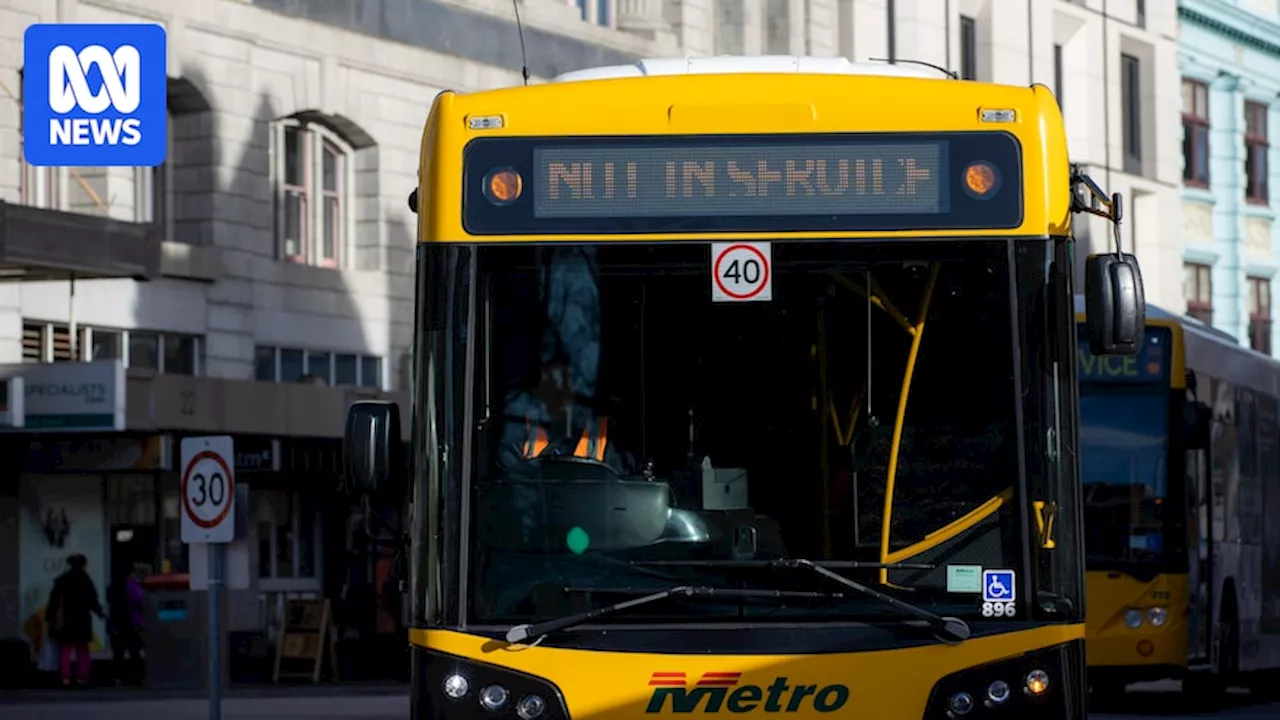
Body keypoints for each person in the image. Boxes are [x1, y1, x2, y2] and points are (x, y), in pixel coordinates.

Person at [46, 553, 105, 687]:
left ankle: (65, 678)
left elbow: (54, 601)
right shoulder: (86, 581)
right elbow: (92, 600)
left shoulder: (61, 580)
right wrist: (100, 613)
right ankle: (82, 678)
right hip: (82, 619)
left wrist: (50, 618)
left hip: (65, 620)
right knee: (82, 649)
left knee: (65, 650)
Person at [107, 563, 146, 687]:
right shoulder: (131, 586)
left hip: (116, 623)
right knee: (134, 651)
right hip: (130, 622)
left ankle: (117, 678)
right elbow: (140, 600)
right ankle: (138, 678)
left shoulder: (112, 586)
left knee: (118, 653)